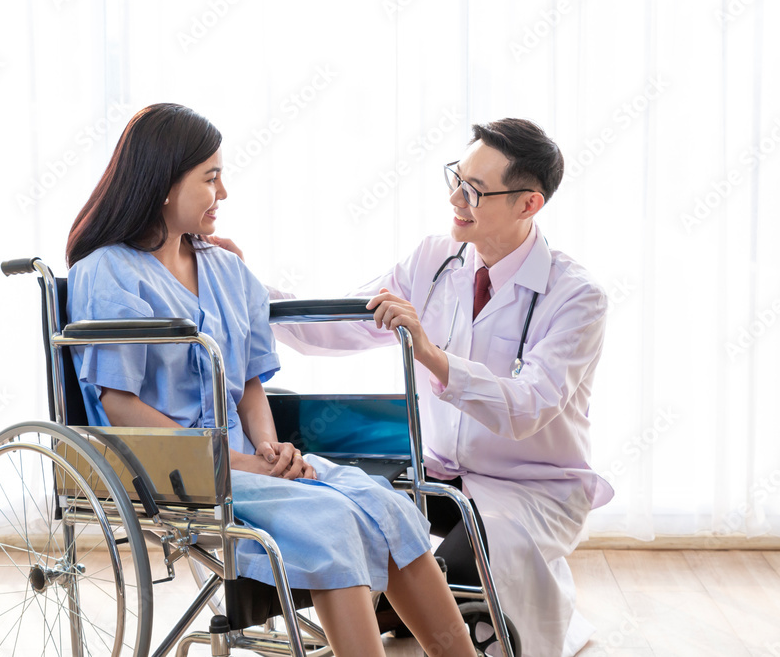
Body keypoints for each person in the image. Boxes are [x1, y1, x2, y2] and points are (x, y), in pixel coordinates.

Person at [63, 103, 477, 657]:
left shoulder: (227, 268)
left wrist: (271, 447)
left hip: (246, 459)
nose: (224, 192)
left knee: (385, 504)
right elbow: (119, 404)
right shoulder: (106, 273)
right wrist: (237, 463)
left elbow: (251, 383)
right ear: (163, 184)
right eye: (211, 178)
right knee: (331, 519)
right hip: (170, 469)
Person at [234, 119, 614, 657]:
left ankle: (415, 604)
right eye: (456, 179)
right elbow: (339, 324)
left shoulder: (576, 297)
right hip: (434, 470)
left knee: (457, 585)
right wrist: (243, 284)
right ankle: (397, 603)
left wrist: (430, 353)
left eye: (475, 191)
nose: (455, 198)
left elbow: (529, 408)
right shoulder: (436, 259)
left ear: (529, 204)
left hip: (530, 488)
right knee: (363, 525)